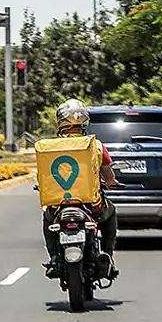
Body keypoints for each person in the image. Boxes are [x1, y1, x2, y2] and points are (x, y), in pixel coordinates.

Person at [41, 98, 119, 280]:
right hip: (92, 206)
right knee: (111, 212)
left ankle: (53, 258)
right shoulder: (96, 145)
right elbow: (108, 175)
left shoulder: (49, 147)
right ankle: (108, 255)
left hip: (58, 207)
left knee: (47, 219)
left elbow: (44, 175)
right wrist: (111, 181)